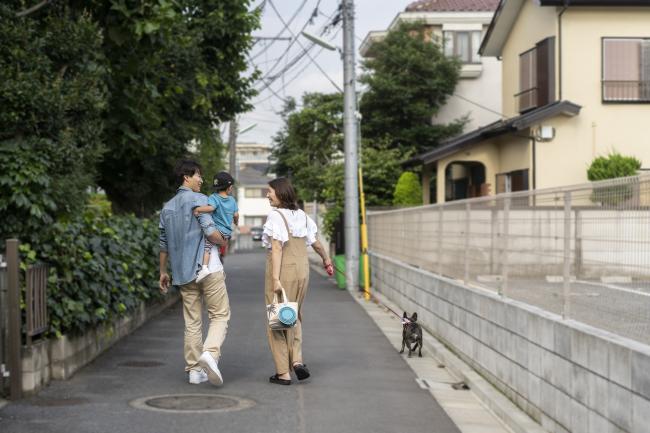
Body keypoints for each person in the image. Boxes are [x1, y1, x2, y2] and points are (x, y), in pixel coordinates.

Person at [159, 160, 230, 386]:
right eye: (198, 175)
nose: (201, 179)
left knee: (192, 322)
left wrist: (163, 271)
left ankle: (193, 371)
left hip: (181, 272)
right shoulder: (200, 200)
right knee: (219, 315)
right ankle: (210, 353)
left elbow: (163, 243)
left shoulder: (167, 207)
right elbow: (210, 231)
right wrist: (224, 239)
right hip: (208, 269)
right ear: (186, 178)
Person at [262, 177, 332, 385]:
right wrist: (326, 259)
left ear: (281, 193)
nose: (267, 195)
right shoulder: (301, 215)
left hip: (284, 270)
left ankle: (283, 372)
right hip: (303, 270)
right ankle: (298, 361)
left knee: (277, 320)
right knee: (294, 315)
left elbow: (276, 248)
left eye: (270, 191)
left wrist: (275, 278)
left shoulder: (276, 216)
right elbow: (316, 243)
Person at [194, 171, 239, 279]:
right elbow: (236, 215)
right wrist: (236, 222)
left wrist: (198, 209)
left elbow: (211, 208)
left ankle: (204, 268)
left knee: (207, 247)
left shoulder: (214, 197)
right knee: (216, 249)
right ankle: (219, 267)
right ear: (229, 187)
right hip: (227, 233)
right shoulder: (232, 200)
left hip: (217, 231)